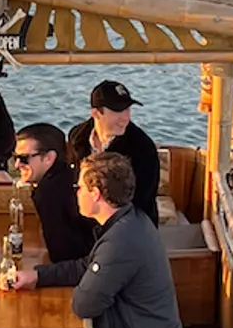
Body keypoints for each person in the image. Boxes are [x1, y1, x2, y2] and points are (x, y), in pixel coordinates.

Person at [2, 150, 182, 328]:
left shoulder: (121, 241)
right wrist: (36, 276)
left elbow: (83, 305)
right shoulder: (129, 221)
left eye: (80, 188)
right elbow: (88, 266)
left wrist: (89, 282)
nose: (76, 193)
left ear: (96, 194)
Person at [67, 79, 162, 224]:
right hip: (86, 220)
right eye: (117, 111)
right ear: (96, 113)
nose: (125, 118)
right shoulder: (77, 137)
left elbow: (142, 201)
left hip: (129, 226)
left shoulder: (143, 148)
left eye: (127, 109)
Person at [10, 122, 91, 264]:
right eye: (14, 157)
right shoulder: (70, 176)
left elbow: (62, 255)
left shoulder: (48, 193)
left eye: (23, 158)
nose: (17, 165)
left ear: (49, 158)